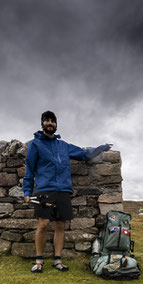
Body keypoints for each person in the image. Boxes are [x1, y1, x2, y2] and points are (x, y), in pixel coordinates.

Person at [22, 110, 112, 273]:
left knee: (60, 225)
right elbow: (30, 168)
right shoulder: (35, 144)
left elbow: (84, 154)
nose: (50, 123)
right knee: (43, 224)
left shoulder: (64, 146)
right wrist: (27, 191)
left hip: (63, 190)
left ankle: (58, 260)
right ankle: (39, 261)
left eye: (53, 121)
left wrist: (102, 147)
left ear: (56, 124)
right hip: (44, 189)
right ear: (42, 124)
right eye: (47, 121)